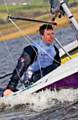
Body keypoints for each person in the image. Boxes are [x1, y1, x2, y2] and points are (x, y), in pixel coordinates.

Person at [3, 24, 61, 96]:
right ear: (42, 36)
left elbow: (58, 65)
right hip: (31, 80)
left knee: (55, 66)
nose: (51, 36)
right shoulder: (32, 48)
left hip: (47, 76)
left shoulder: (54, 49)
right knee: (54, 67)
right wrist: (11, 87)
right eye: (48, 34)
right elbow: (21, 66)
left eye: (52, 34)